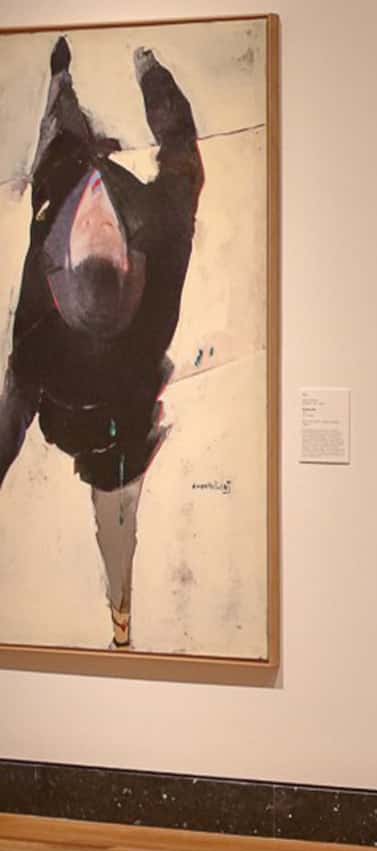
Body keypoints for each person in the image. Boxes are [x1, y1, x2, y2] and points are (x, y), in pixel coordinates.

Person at [0, 38, 202, 651]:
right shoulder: (159, 228)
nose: (98, 215)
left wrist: (61, 85)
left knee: (115, 505)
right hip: (104, 416)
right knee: (117, 498)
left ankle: (120, 609)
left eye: (97, 228)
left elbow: (10, 419)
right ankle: (122, 603)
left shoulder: (50, 274)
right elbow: (182, 158)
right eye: (99, 232)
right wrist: (152, 76)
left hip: (110, 420)